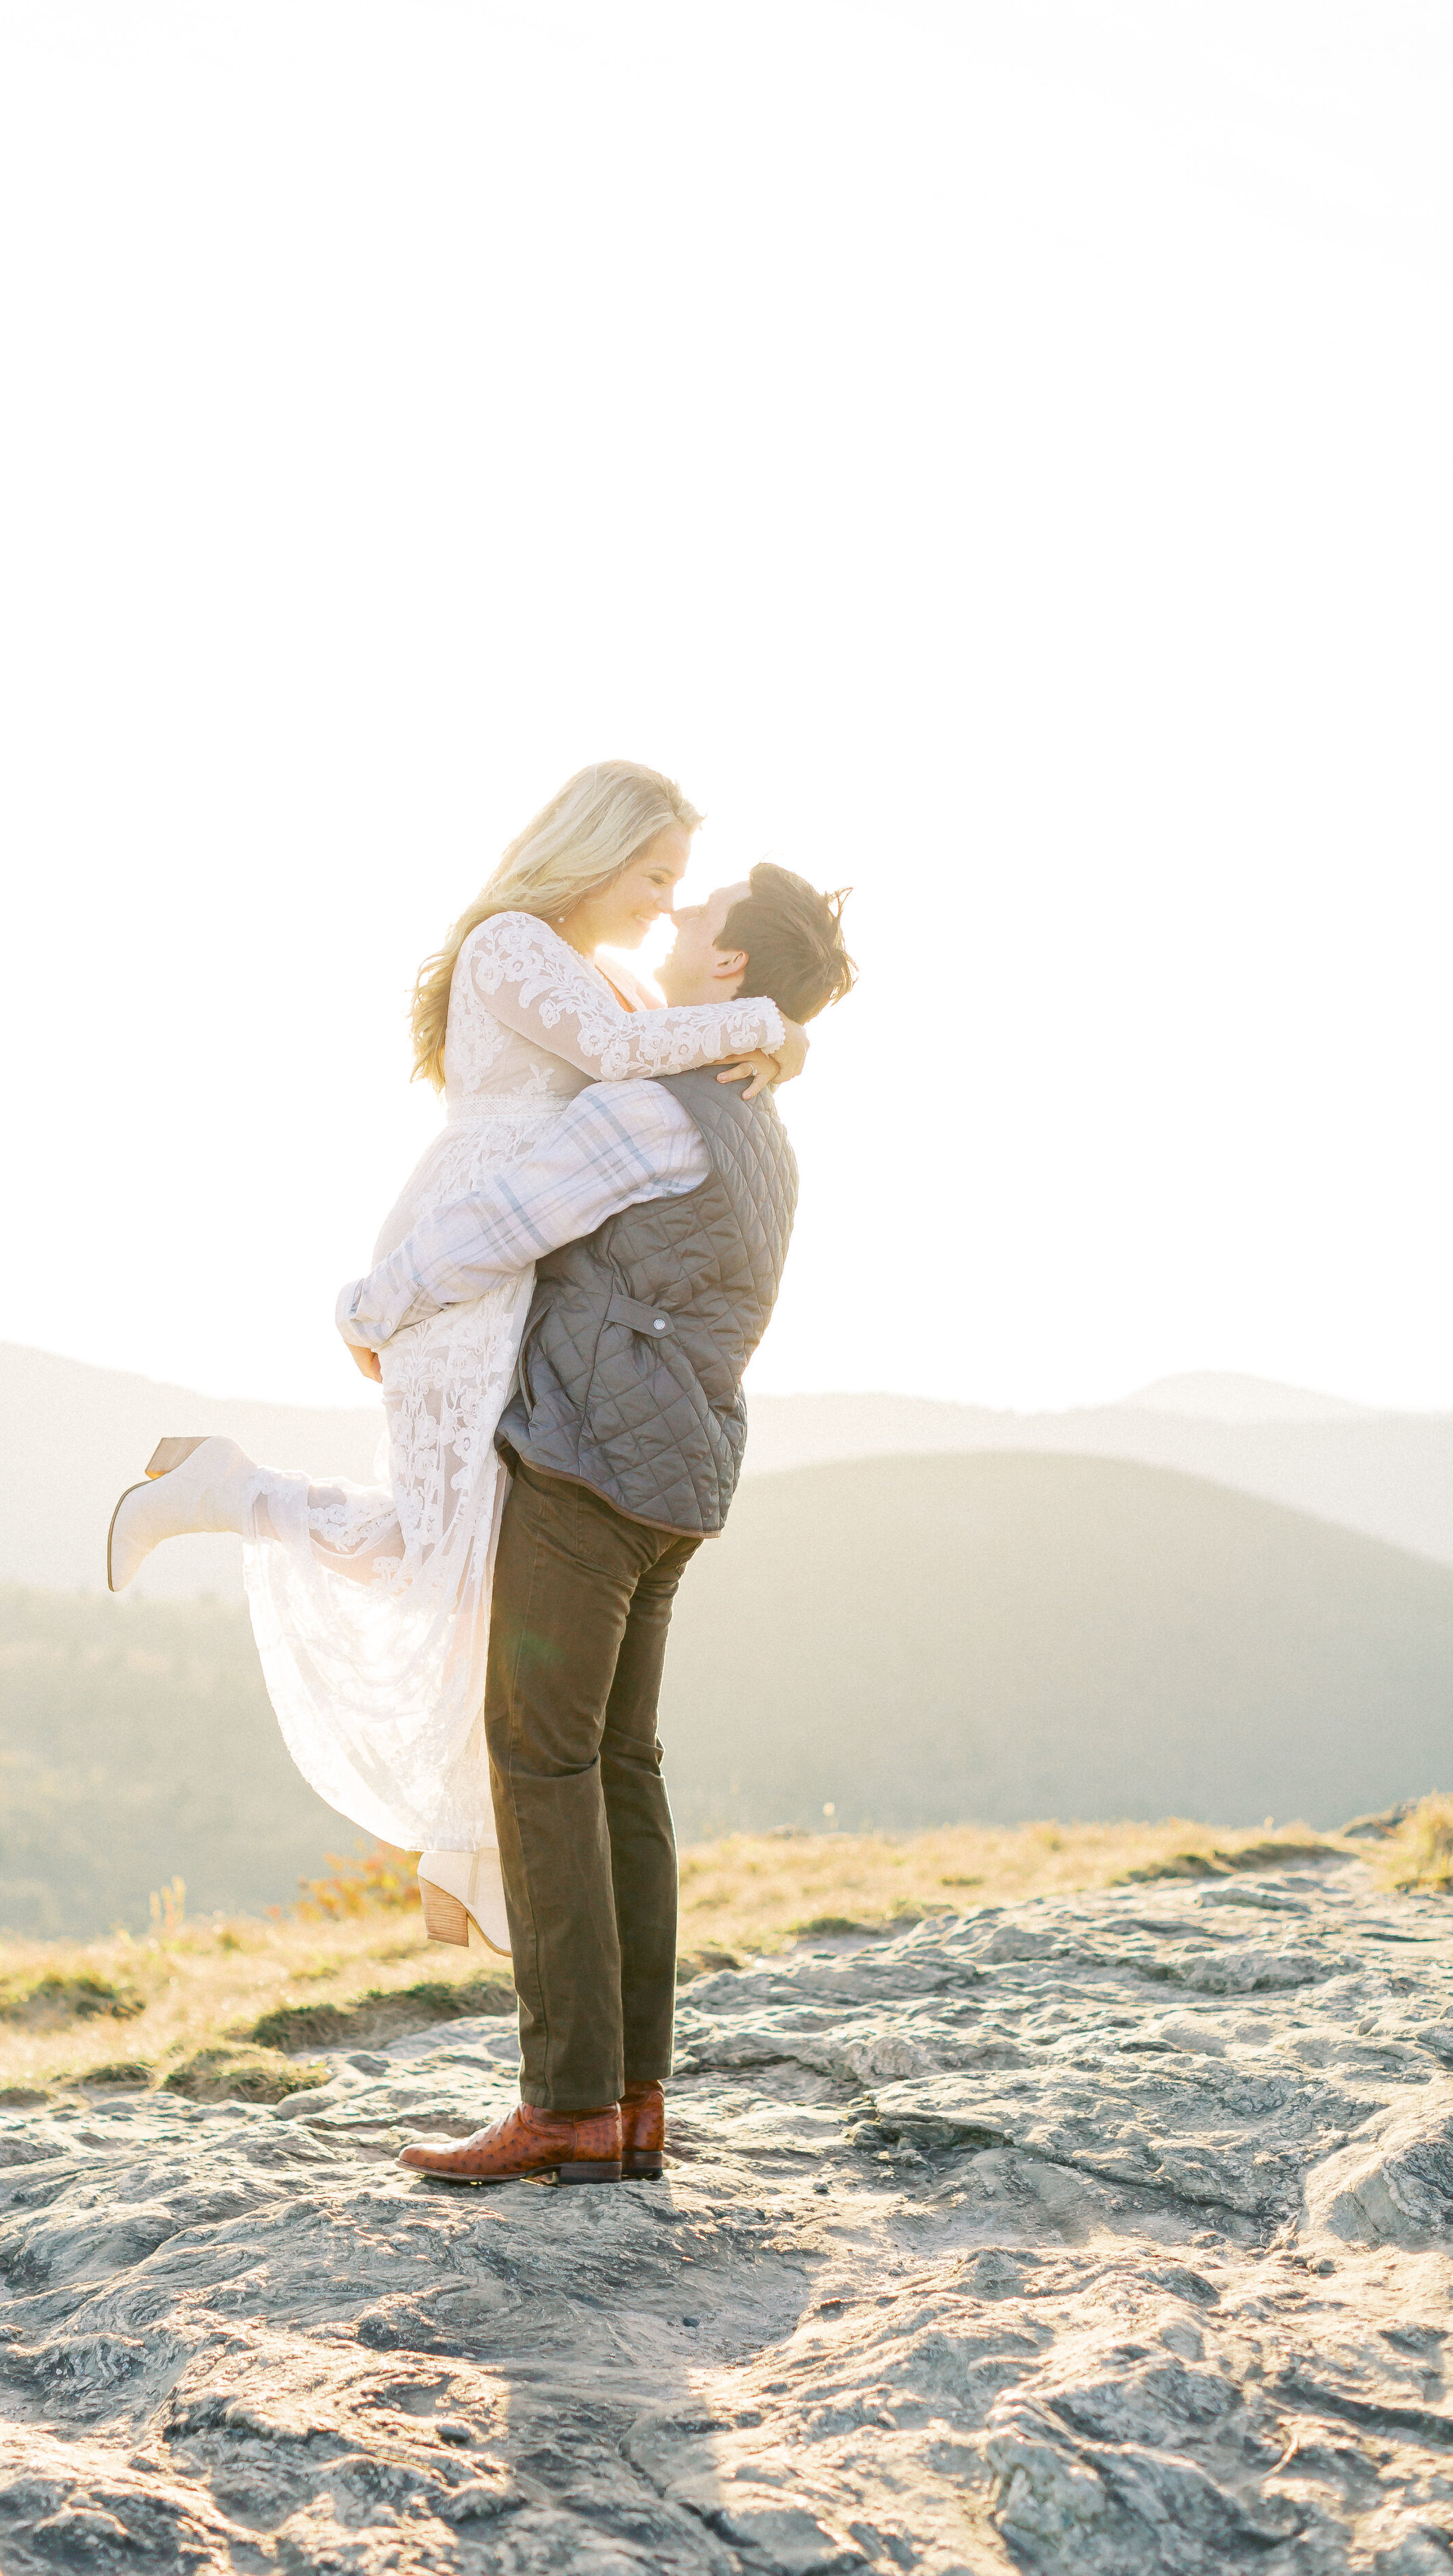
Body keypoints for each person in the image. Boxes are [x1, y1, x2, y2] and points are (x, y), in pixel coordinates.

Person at [105, 764, 806, 1938]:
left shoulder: (610, 967)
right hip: (462, 1250)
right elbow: (625, 1053)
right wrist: (775, 1026)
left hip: (517, 1266)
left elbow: (656, 1043)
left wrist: (783, 1042)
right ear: (596, 849)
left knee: (464, 1548)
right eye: (656, 875)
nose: (663, 902)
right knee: (448, 1555)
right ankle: (226, 1497)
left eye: (681, 884)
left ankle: (226, 1489)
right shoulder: (511, 945)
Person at [331, 864, 858, 2186]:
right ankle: (631, 2094)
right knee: (624, 1768)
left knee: (543, 1759)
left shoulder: (654, 1109)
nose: (675, 921)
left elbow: (504, 1223)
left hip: (584, 1467)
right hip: (680, 1480)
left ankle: (566, 2103)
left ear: (731, 969)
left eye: (700, 912)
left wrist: (371, 1305)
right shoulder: (760, 1127)